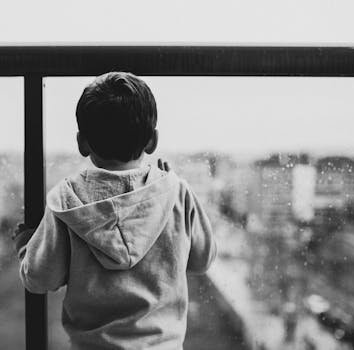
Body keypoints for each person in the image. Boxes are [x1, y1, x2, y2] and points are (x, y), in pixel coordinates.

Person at [13, 72, 216, 350]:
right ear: (152, 141)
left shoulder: (67, 200)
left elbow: (40, 278)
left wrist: (27, 245)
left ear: (82, 142)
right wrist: (169, 189)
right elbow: (202, 260)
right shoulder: (176, 191)